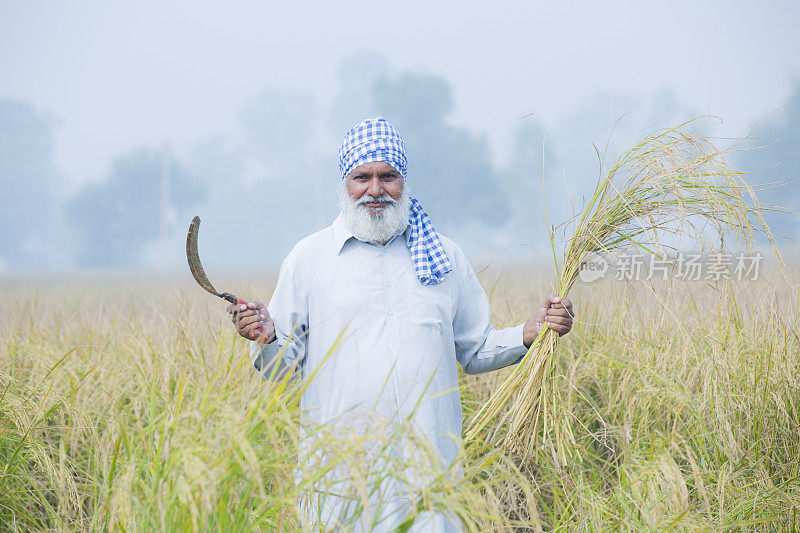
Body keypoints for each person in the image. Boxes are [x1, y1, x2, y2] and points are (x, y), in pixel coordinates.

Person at [228, 116, 574, 531]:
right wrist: (265, 337)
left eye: (387, 176)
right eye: (362, 177)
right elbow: (280, 367)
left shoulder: (443, 258)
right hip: (340, 480)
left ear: (404, 181)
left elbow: (475, 349)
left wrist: (530, 332)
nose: (375, 190)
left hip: (428, 479)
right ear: (345, 184)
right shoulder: (308, 260)